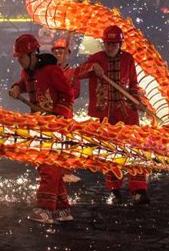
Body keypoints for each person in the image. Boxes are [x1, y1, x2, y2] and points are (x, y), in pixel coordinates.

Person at [74, 24, 149, 205]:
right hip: (106, 114)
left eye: (114, 44)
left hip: (127, 113)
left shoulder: (128, 60)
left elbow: (133, 84)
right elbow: (77, 73)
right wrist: (92, 68)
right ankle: (114, 189)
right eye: (108, 44)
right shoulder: (96, 58)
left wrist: (137, 99)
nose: (110, 47)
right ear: (103, 43)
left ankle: (138, 188)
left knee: (135, 149)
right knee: (110, 150)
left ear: (120, 44)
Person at [8, 33, 74, 224]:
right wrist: (16, 87)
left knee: (49, 166)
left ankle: (45, 209)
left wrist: (58, 115)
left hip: (57, 127)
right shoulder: (27, 73)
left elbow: (67, 94)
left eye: (21, 56)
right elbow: (23, 84)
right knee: (49, 166)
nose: (19, 60)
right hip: (39, 126)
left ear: (32, 54)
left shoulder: (51, 71)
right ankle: (62, 210)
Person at [50, 38, 81, 184]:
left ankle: (67, 171)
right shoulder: (49, 72)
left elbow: (77, 92)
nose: (58, 55)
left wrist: (65, 91)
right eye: (55, 52)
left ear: (67, 54)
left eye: (61, 52)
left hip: (67, 112)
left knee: (67, 143)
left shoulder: (72, 73)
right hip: (51, 112)